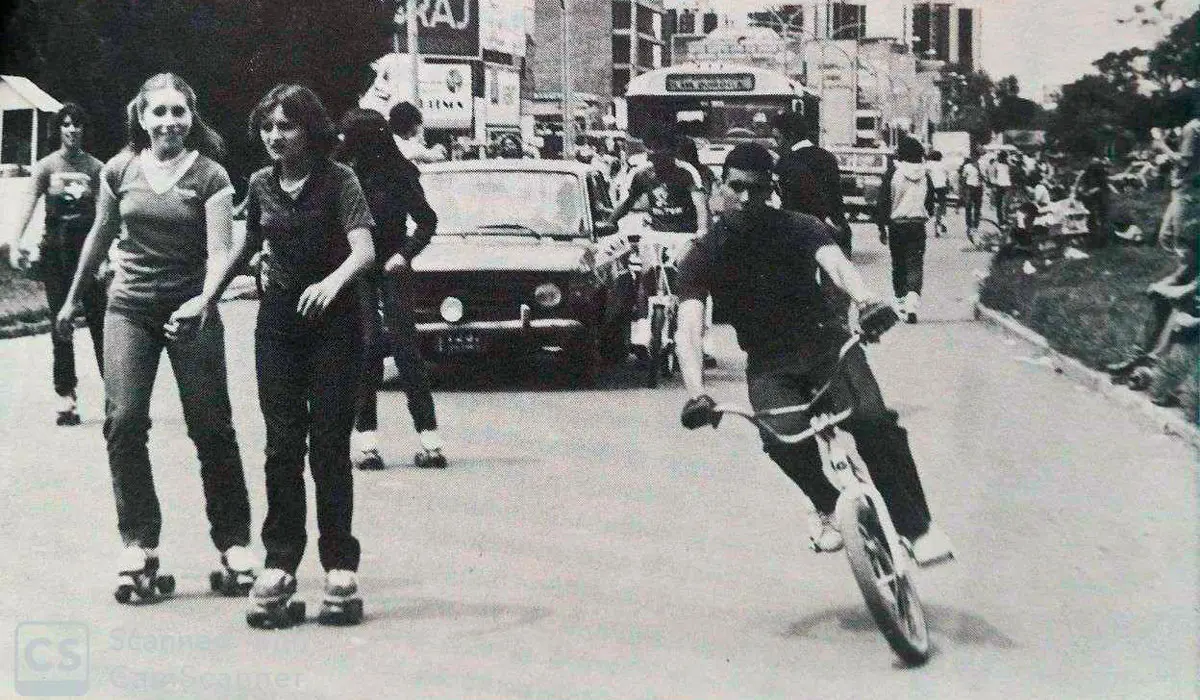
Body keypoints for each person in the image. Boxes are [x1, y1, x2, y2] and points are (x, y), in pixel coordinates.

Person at [672, 143, 953, 566]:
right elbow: (689, 327)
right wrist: (695, 391)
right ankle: (825, 504)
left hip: (826, 347)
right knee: (781, 439)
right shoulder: (703, 253)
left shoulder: (798, 227)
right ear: (719, 188)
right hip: (770, 364)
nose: (747, 198)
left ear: (772, 191)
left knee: (874, 423)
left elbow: (836, 265)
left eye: (758, 189)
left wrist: (865, 300)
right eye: (737, 187)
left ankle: (917, 528)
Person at [52, 73, 256, 600]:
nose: (169, 122)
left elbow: (219, 251)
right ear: (141, 118)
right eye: (158, 112)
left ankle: (234, 544)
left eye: (178, 112)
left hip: (192, 307)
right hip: (129, 307)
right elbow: (100, 234)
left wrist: (204, 301)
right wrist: (74, 297)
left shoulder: (211, 176)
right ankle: (138, 543)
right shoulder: (120, 170)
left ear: (192, 118)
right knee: (122, 421)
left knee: (211, 425)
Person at [207, 84, 377, 627]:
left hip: (336, 325)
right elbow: (243, 246)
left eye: (288, 127)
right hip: (279, 324)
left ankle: (339, 569)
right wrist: (205, 298)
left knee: (328, 444)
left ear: (310, 130)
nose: (276, 137)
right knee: (282, 445)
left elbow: (365, 249)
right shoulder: (259, 184)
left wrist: (334, 282)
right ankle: (280, 564)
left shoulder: (339, 180)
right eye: (268, 128)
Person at [341, 104, 446, 471]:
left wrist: (404, 253)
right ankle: (367, 442)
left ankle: (430, 439)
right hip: (358, 270)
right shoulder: (342, 176)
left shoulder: (400, 174)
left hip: (392, 267)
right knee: (368, 348)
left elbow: (427, 221)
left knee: (406, 348)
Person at [7, 103, 107, 425]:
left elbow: (109, 217)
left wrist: (107, 256)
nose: (72, 130)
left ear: (84, 130)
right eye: (66, 125)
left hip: (88, 256)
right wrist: (16, 241)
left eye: (77, 125)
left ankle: (118, 398)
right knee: (60, 326)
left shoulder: (96, 168)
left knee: (99, 324)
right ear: (58, 130)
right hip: (56, 255)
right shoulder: (46, 167)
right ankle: (66, 398)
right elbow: (27, 205)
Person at [1106, 225, 1198, 392]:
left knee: (1179, 305)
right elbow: (1177, 277)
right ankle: (1137, 355)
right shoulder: (1192, 263)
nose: (1180, 255)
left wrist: (1159, 289)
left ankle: (1154, 363)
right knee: (1161, 300)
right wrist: (1159, 286)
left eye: (1186, 251)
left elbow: (1186, 291)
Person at [773, 113, 852, 257]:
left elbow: (785, 203)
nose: (776, 144)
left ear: (789, 136)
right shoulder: (828, 157)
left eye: (777, 138)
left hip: (799, 234)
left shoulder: (786, 162)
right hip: (834, 229)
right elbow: (835, 198)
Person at [876, 136, 935, 324]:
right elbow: (930, 203)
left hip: (897, 226)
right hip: (917, 225)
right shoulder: (925, 175)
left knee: (898, 264)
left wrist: (881, 227)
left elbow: (883, 200)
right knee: (915, 264)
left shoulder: (894, 172)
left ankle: (901, 302)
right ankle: (912, 303)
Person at [1153, 94, 1200, 254]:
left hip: (1187, 189)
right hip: (1187, 187)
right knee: (1167, 237)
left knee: (1179, 240)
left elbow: (1185, 161)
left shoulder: (1191, 128)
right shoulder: (1193, 127)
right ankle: (1186, 272)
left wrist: (1162, 145)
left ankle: (1187, 275)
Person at [1074, 155, 1111, 249]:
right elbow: (1080, 186)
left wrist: (1094, 190)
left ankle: (1101, 241)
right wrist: (1083, 191)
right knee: (1092, 220)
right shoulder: (1086, 174)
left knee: (1101, 219)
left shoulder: (1100, 174)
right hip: (1090, 201)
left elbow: (1103, 187)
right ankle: (1094, 240)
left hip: (1099, 199)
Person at [960, 154, 984, 241]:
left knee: (977, 208)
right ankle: (969, 225)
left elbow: (984, 177)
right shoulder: (967, 166)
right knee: (968, 207)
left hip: (978, 188)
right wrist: (962, 191)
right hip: (970, 188)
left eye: (977, 157)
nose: (976, 158)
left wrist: (980, 172)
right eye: (974, 157)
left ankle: (975, 226)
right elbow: (963, 178)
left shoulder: (982, 166)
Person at [926, 150, 949, 237]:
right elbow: (947, 177)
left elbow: (925, 175)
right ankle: (942, 222)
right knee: (942, 207)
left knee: (933, 207)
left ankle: (936, 228)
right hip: (942, 187)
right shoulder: (943, 165)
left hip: (931, 188)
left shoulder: (928, 164)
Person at [987, 151, 1013, 225]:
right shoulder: (995, 165)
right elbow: (992, 175)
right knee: (999, 204)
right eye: (1003, 157)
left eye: (1005, 157)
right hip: (999, 186)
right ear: (1000, 157)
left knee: (1006, 204)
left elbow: (1010, 174)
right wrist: (994, 185)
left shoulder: (1007, 165)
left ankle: (1005, 218)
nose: (1004, 159)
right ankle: (1000, 220)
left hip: (1007, 186)